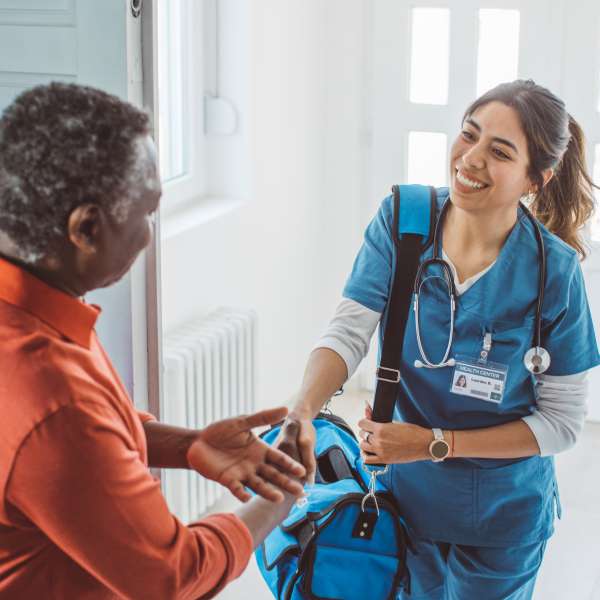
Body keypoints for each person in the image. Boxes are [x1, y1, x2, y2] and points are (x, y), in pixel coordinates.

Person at [281, 80, 600, 599]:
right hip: (407, 502)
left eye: (499, 152)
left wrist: (433, 444)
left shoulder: (553, 271)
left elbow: (563, 423)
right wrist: (301, 412)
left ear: (535, 180)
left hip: (504, 516)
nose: (471, 159)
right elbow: (348, 331)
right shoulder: (405, 222)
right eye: (468, 135)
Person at [0, 82, 306, 599]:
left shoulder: (37, 315)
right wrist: (280, 498)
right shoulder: (52, 398)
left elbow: (94, 439)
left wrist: (188, 445)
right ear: (87, 227)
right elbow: (173, 576)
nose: (148, 234)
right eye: (146, 211)